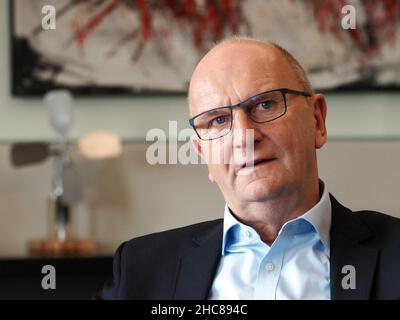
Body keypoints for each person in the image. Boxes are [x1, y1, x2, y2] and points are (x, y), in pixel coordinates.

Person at [99, 37, 400, 300]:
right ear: (203, 153)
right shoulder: (142, 269)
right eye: (218, 120)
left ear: (317, 121)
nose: (244, 137)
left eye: (265, 105)